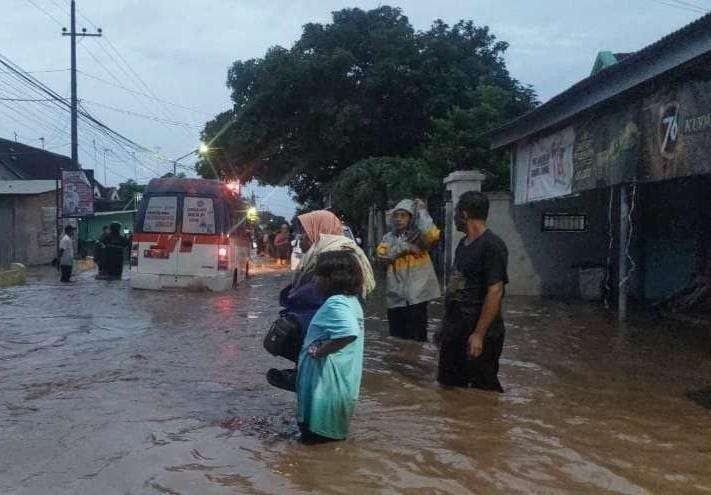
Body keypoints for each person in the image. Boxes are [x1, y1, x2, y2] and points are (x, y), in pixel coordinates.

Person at [267, 209, 375, 392]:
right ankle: (302, 378)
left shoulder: (334, 254)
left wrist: (292, 297)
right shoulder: (327, 251)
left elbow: (317, 294)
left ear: (319, 232)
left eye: (306, 233)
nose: (301, 238)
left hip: (324, 326)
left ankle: (302, 381)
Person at [437, 191, 509, 392]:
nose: (454, 218)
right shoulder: (463, 244)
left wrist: (478, 334)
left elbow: (495, 291)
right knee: (449, 387)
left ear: (464, 214)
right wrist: (445, 326)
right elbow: (457, 284)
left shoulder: (492, 246)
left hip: (479, 331)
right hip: (455, 328)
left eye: (456, 213)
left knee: (483, 392)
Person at [297, 250, 365, 443]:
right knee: (329, 446)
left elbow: (349, 332)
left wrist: (320, 351)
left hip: (326, 389)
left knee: (314, 446)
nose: (315, 280)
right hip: (341, 385)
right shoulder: (352, 301)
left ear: (331, 279)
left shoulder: (336, 303)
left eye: (318, 275)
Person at [377, 199, 441, 342]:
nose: (399, 219)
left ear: (411, 218)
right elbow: (382, 257)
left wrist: (423, 211)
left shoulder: (420, 237)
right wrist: (405, 247)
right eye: (396, 215)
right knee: (396, 339)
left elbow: (433, 234)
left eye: (403, 215)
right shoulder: (388, 238)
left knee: (417, 339)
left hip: (417, 296)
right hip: (396, 297)